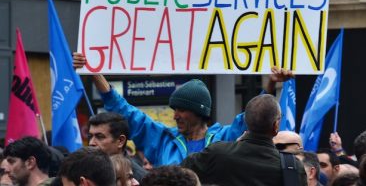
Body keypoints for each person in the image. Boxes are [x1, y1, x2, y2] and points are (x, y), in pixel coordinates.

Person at [73, 52, 291, 166]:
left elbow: (255, 117)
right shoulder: (162, 139)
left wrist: (271, 83)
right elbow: (126, 111)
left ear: (200, 111)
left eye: (181, 110)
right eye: (174, 109)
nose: (175, 115)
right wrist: (94, 71)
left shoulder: (226, 137)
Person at [182, 94, 307, 185]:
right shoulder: (293, 167)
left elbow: (176, 175)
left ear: (246, 121)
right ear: (276, 126)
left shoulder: (217, 154)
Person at [88, 113, 146, 181]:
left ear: (121, 141)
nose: (91, 143)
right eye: (90, 136)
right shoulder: (83, 169)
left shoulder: (141, 179)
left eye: (100, 137)